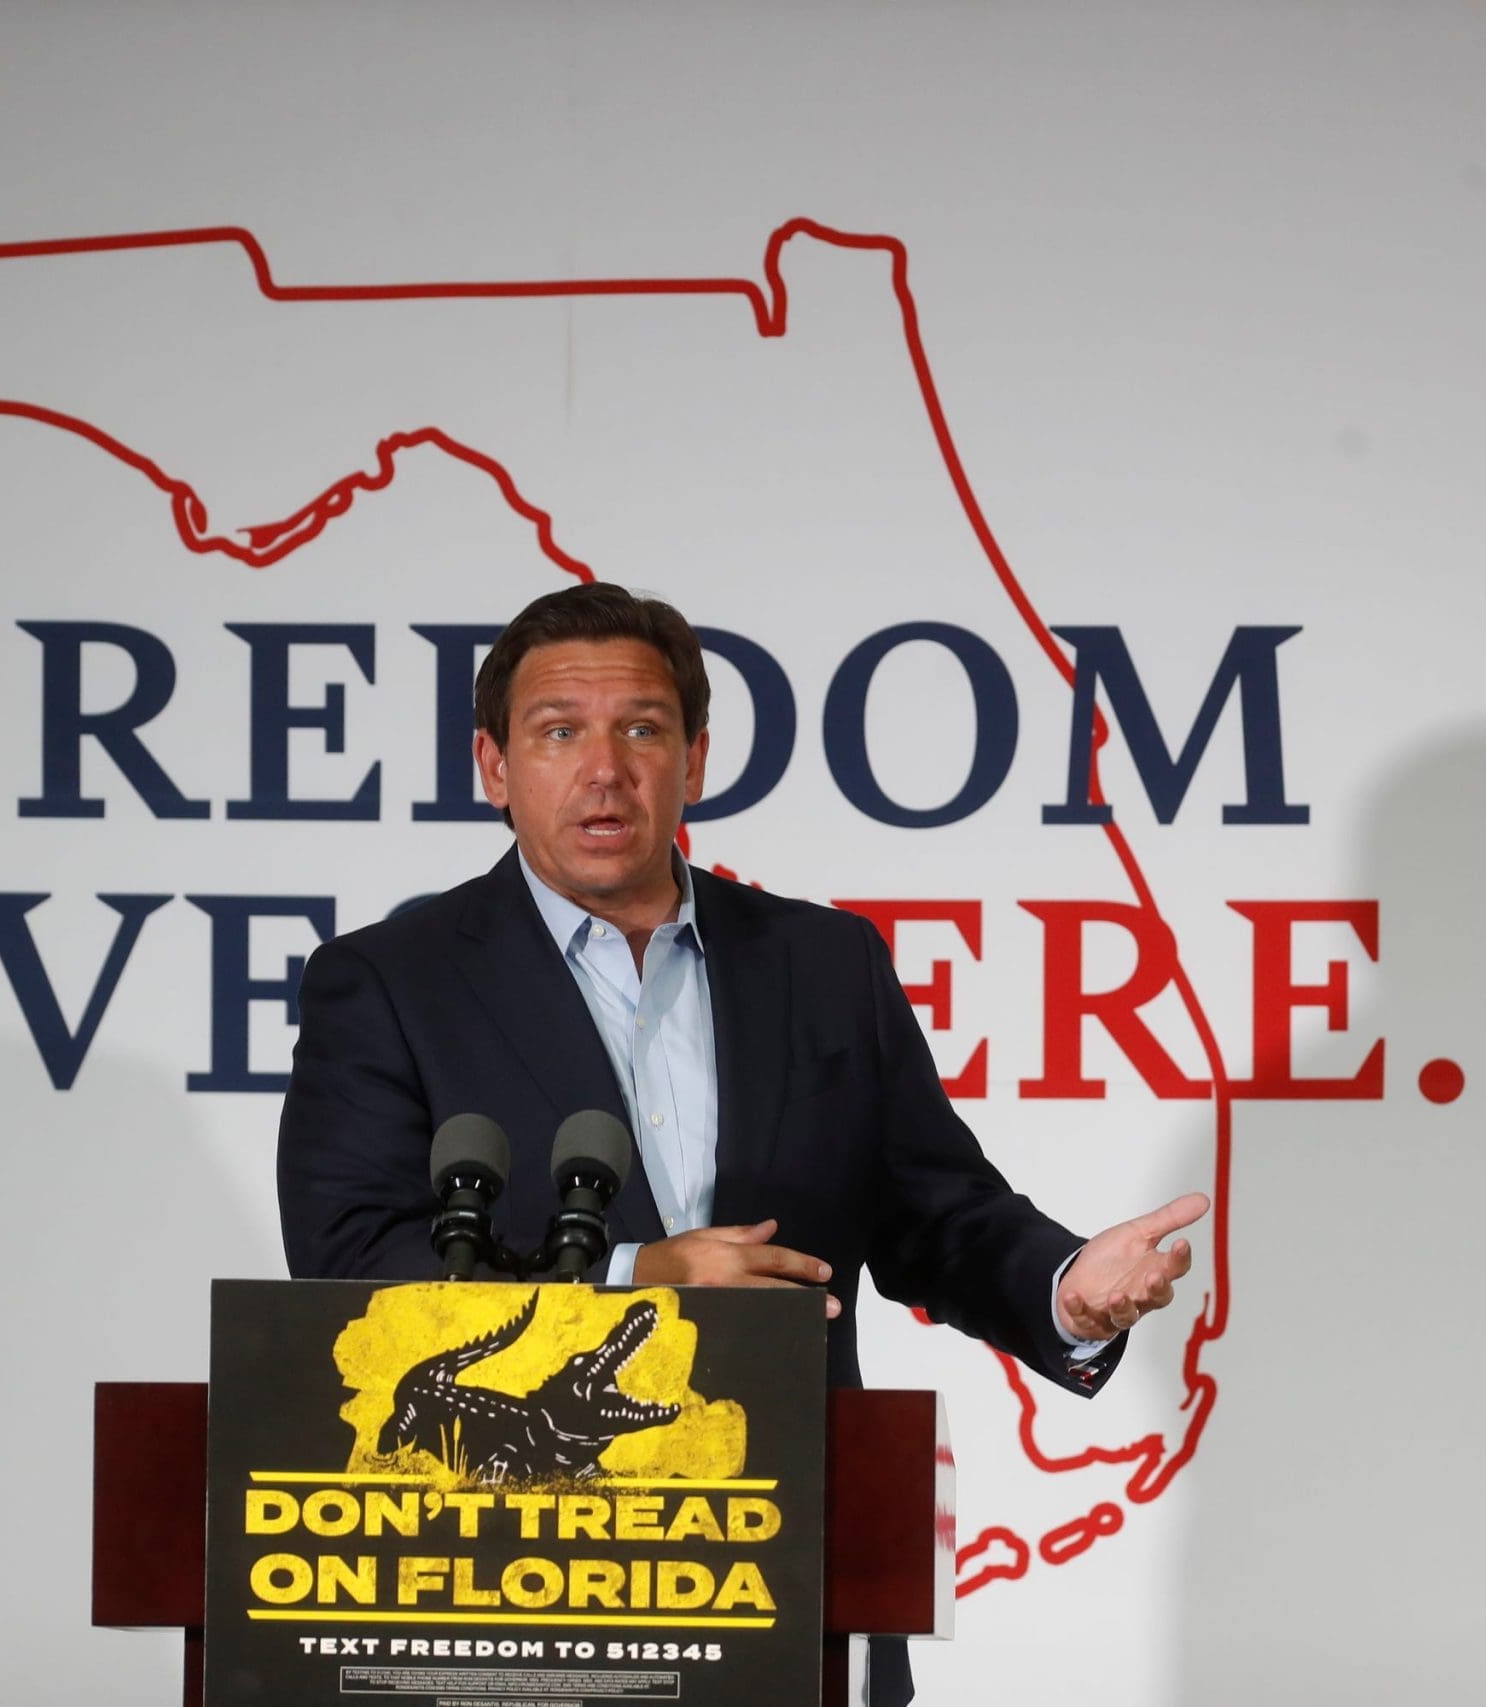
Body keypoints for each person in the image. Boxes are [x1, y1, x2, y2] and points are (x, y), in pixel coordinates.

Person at [277, 581, 1204, 1705]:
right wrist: (638, 1278)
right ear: (493, 766)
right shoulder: (392, 982)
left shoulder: (823, 965)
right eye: (559, 732)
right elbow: (349, 1260)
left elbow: (935, 1212)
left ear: (696, 760)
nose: (604, 769)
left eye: (642, 729)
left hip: (787, 1558)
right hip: (510, 1566)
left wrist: (1064, 1291)